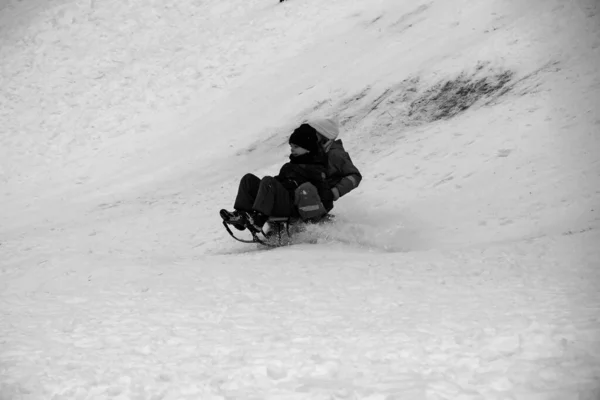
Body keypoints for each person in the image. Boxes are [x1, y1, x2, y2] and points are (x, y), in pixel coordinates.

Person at [220, 124, 334, 232]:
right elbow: (279, 182)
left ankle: (258, 220)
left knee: (268, 181)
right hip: (280, 201)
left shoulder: (315, 169)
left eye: (296, 147)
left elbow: (324, 193)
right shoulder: (289, 166)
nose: (292, 149)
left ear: (308, 148)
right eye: (291, 146)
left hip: (294, 208)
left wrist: (323, 214)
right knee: (248, 179)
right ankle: (241, 216)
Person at [305, 117, 362, 202]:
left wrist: (335, 192)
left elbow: (355, 176)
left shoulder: (335, 154)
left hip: (318, 201)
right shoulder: (316, 152)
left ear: (324, 135)